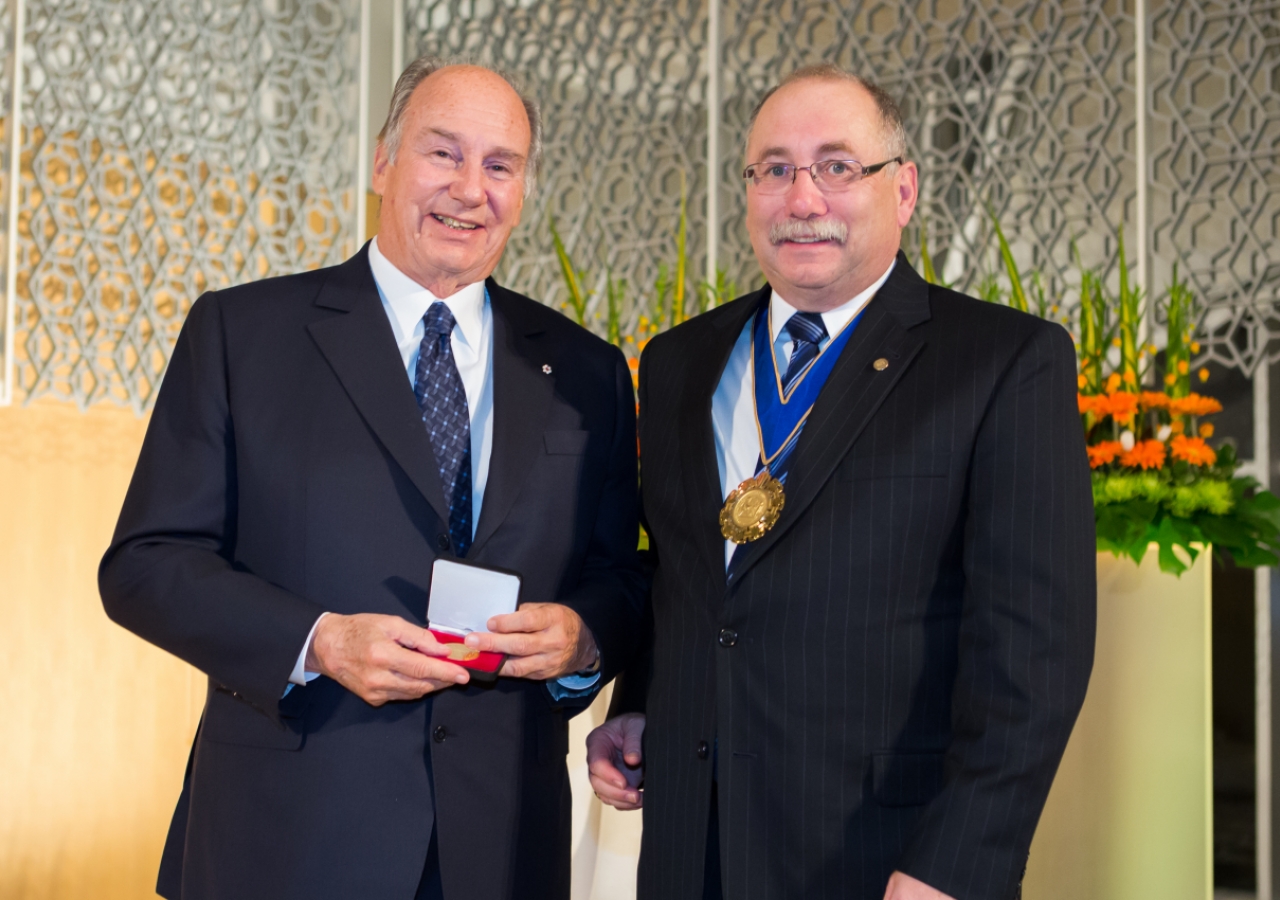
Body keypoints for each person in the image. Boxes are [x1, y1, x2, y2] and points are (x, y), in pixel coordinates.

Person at [100, 57, 644, 900]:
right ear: (383, 161)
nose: (471, 189)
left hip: (502, 849)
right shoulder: (243, 334)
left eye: (501, 165)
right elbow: (145, 564)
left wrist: (581, 638)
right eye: (443, 154)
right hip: (286, 841)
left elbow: (622, 578)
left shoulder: (586, 372)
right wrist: (317, 640)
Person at [587, 64, 1095, 900]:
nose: (803, 198)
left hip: (885, 858)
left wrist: (956, 862)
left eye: (836, 166)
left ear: (903, 189)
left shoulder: (1004, 362)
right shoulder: (679, 361)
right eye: (775, 169)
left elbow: (1034, 653)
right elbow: (686, 575)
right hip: (693, 848)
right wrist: (640, 702)